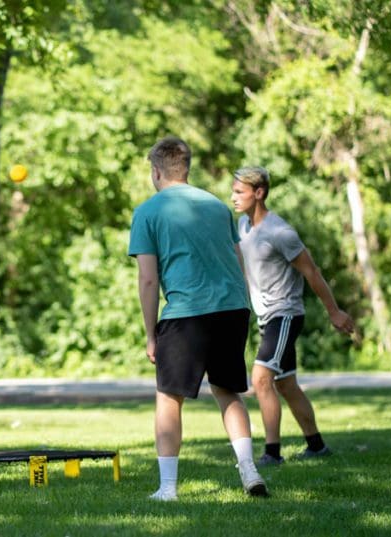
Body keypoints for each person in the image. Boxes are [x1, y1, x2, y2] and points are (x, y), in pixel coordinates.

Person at [129, 136, 268, 501]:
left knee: (169, 398)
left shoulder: (148, 212)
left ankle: (168, 488)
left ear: (156, 171)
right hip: (231, 308)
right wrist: (244, 305)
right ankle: (249, 469)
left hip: (185, 313)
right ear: (186, 169)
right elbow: (236, 260)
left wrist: (149, 334)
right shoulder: (218, 207)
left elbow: (147, 278)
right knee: (228, 391)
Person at [230, 166, 355, 466]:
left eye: (239, 192)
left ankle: (272, 454)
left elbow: (312, 271)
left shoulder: (280, 232)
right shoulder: (243, 227)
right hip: (266, 316)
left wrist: (334, 311)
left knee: (261, 379)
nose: (233, 197)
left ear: (259, 193)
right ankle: (316, 445)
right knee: (286, 384)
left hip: (285, 314)